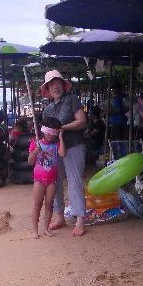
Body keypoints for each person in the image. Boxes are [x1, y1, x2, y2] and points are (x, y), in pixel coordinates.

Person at [41, 70, 87, 237]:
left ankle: (80, 219)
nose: (55, 86)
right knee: (54, 182)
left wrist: (62, 128)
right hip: (54, 149)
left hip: (74, 145)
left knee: (75, 181)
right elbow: (45, 130)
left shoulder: (72, 99)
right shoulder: (47, 109)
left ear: (63, 84)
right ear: (47, 89)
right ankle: (60, 216)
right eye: (51, 84)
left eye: (57, 82)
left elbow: (82, 121)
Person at [28, 117, 66, 239]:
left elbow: (63, 154)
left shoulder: (56, 145)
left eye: (53, 132)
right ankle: (34, 231)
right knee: (37, 205)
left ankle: (46, 228)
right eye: (48, 132)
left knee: (49, 205)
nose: (50, 135)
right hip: (39, 180)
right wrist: (36, 151)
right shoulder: (36, 143)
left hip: (52, 181)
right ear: (43, 131)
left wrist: (61, 137)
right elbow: (30, 161)